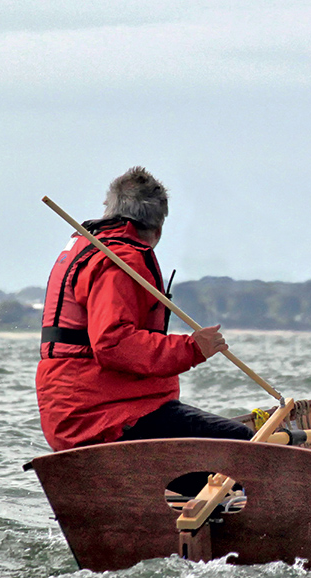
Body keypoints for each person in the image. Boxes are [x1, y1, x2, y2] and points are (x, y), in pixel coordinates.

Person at [36, 166, 253, 452]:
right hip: (103, 418)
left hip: (91, 410)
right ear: (158, 228)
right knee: (245, 445)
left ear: (109, 210)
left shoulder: (91, 248)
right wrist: (192, 349)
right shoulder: (119, 261)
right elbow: (112, 343)